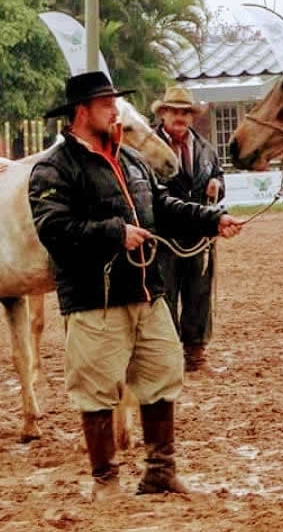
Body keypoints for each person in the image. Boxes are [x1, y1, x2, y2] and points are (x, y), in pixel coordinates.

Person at [27, 71, 243, 500]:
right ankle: (105, 480)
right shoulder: (53, 169)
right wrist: (115, 232)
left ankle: (160, 473)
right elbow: (53, 229)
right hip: (95, 301)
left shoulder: (129, 161)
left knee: (163, 374)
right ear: (82, 112)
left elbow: (160, 205)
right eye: (107, 104)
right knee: (96, 389)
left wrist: (211, 219)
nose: (115, 110)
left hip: (147, 292)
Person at [151, 86, 224, 374]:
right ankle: (166, 357)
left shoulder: (205, 148)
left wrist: (217, 186)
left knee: (199, 293)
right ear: (164, 114)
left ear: (192, 116)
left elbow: (219, 178)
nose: (180, 117)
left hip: (199, 235)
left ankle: (196, 354)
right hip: (164, 235)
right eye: (174, 111)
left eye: (185, 112)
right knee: (164, 294)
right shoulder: (150, 148)